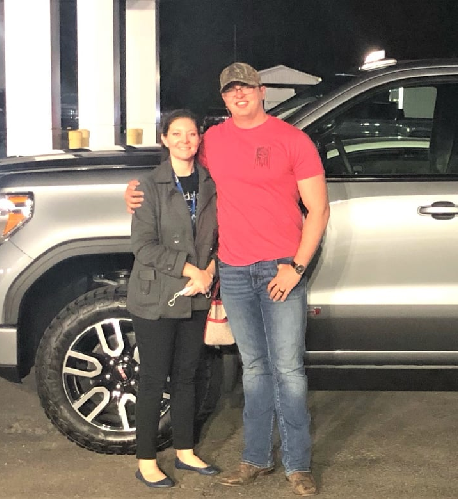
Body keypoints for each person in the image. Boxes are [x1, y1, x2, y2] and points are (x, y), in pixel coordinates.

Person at [125, 63, 330, 496]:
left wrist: (296, 267)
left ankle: (297, 464)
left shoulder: (293, 140)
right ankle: (255, 459)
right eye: (231, 90)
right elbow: (177, 167)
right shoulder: (213, 140)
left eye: (247, 87)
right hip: (234, 270)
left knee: (288, 369)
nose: (240, 95)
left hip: (280, 268)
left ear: (262, 91)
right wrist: (134, 190)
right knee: (253, 369)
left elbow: (319, 209)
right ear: (223, 97)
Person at [126, 109, 221, 488]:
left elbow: (221, 236)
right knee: (153, 379)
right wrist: (191, 270)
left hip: (195, 296)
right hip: (156, 297)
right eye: (177, 133)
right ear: (164, 138)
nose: (185, 140)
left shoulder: (211, 182)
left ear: (200, 139)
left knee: (187, 376)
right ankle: (146, 459)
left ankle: (185, 451)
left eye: (192, 134)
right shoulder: (148, 186)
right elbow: (143, 246)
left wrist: (210, 271)